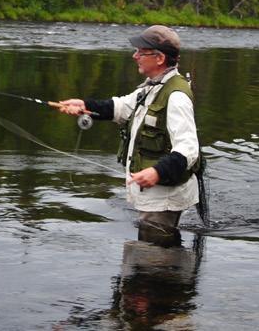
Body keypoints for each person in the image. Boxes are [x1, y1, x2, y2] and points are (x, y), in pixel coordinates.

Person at [57, 25, 200, 233]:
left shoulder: (176, 97)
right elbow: (123, 107)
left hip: (163, 200)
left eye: (141, 52)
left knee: (155, 259)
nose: (135, 56)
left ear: (159, 58)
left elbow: (188, 149)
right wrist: (85, 106)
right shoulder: (153, 85)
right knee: (146, 257)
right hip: (152, 197)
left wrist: (157, 172)